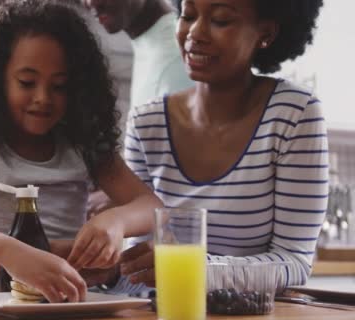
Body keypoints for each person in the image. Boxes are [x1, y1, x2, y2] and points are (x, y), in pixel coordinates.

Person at [0, 0, 162, 304]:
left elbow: (150, 205)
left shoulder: (84, 144)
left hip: (60, 303)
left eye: (59, 86)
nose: (43, 98)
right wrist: (9, 251)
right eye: (27, 82)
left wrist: (115, 222)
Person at [121, 0, 327, 289]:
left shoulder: (293, 114)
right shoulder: (147, 124)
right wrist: (105, 269)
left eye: (220, 20)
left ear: (265, 33)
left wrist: (192, 269)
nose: (195, 33)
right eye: (188, 15)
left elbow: (293, 261)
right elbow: (139, 265)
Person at [81, 0, 193, 296]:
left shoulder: (179, 55)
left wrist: (115, 201)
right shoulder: (149, 45)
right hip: (142, 282)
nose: (89, 1)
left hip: (180, 286)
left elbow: (183, 194)